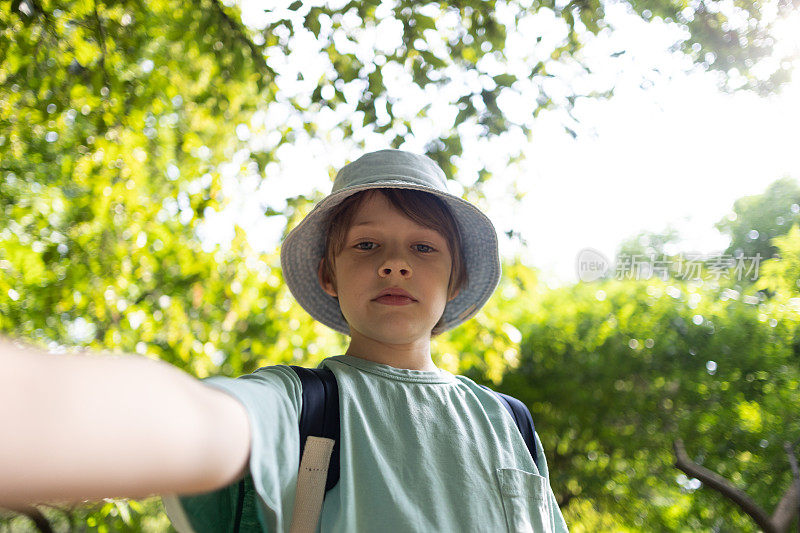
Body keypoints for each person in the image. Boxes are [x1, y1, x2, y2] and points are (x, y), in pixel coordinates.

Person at [0, 149, 568, 532]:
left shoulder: (507, 421)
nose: (395, 265)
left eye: (423, 248)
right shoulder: (301, 404)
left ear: (456, 278)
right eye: (367, 246)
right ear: (328, 275)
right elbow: (198, 421)